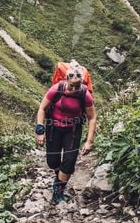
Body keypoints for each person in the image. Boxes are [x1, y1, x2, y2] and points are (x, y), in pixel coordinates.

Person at [35, 63, 96, 203]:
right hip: (53, 128)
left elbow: (92, 117)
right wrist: (40, 129)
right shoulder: (56, 89)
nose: (73, 89)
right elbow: (42, 108)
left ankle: (58, 191)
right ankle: (60, 177)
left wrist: (89, 141)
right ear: (66, 80)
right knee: (52, 161)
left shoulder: (84, 94)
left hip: (73, 130)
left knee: (69, 162)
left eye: (77, 87)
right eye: (71, 86)